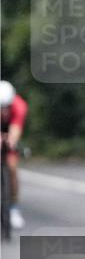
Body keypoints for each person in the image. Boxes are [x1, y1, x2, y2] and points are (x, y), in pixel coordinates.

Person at [0, 80, 28, 230]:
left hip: (10, 128)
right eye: (1, 108)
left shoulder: (19, 106)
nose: (4, 111)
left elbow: (16, 128)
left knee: (12, 167)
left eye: (7, 108)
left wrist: (11, 141)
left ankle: (14, 208)